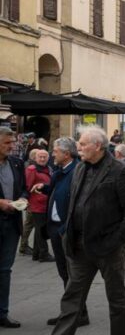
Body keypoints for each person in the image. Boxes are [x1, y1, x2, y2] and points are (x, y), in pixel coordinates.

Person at [52, 125, 125, 335]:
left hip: (108, 247)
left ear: (98, 146)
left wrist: (117, 241)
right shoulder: (80, 168)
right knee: (72, 298)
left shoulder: (120, 170)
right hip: (79, 245)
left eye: (83, 144)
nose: (78, 147)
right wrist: (67, 232)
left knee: (116, 298)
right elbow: (75, 202)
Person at [33, 137, 89, 327]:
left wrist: (67, 227)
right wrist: (45, 187)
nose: (52, 154)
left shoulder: (77, 171)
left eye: (55, 151)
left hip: (68, 229)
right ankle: (73, 311)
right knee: (64, 272)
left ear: (66, 154)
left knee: (73, 273)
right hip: (55, 228)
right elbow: (58, 190)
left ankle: (77, 313)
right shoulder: (59, 172)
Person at [0, 128, 26, 328]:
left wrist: (23, 199)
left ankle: (2, 313)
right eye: (7, 143)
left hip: (12, 224)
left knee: (5, 270)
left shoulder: (16, 163)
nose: (12, 147)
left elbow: (23, 188)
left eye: (12, 143)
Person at [25, 148, 54, 262]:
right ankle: (44, 254)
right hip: (37, 204)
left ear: (48, 158)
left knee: (39, 229)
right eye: (40, 157)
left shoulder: (48, 168)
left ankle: (36, 254)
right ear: (35, 158)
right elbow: (27, 186)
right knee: (41, 229)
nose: (42, 159)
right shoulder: (32, 169)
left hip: (45, 204)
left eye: (44, 157)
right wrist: (27, 201)